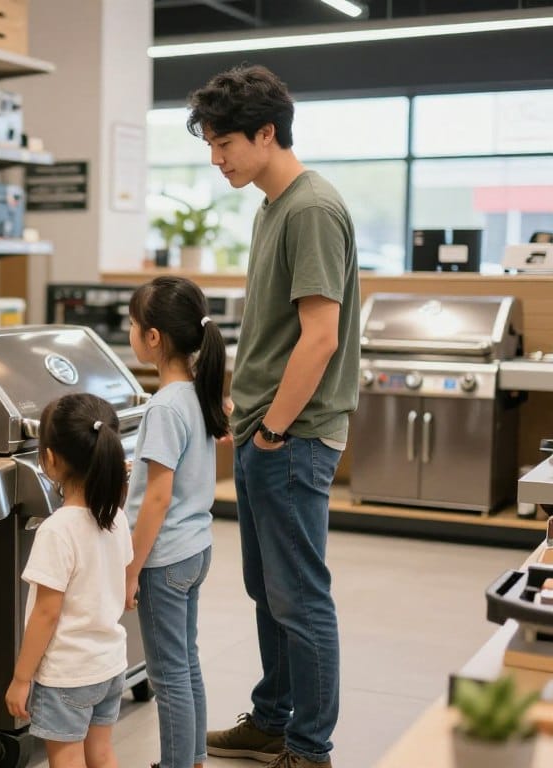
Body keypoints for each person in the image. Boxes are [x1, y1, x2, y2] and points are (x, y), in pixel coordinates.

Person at [191, 65, 361, 768]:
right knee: (270, 591)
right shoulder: (273, 205)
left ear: (267, 133)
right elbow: (281, 332)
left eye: (225, 141)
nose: (215, 156)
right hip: (270, 430)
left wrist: (272, 430)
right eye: (209, 143)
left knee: (300, 597)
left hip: (293, 438)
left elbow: (321, 336)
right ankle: (272, 719)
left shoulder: (311, 209)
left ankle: (309, 746)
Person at [124, 275, 230, 768]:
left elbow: (157, 500)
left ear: (153, 338)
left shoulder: (164, 406)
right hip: (195, 548)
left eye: (132, 324)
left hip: (164, 558)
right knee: (185, 663)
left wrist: (131, 568)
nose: (129, 332)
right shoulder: (194, 394)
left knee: (167, 675)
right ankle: (193, 758)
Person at [4, 392, 133, 768]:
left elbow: (46, 613)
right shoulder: (116, 517)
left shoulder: (57, 530)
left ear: (50, 459)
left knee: (68, 759)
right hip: (109, 664)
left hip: (67, 674)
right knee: (102, 753)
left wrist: (21, 678)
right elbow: (122, 576)